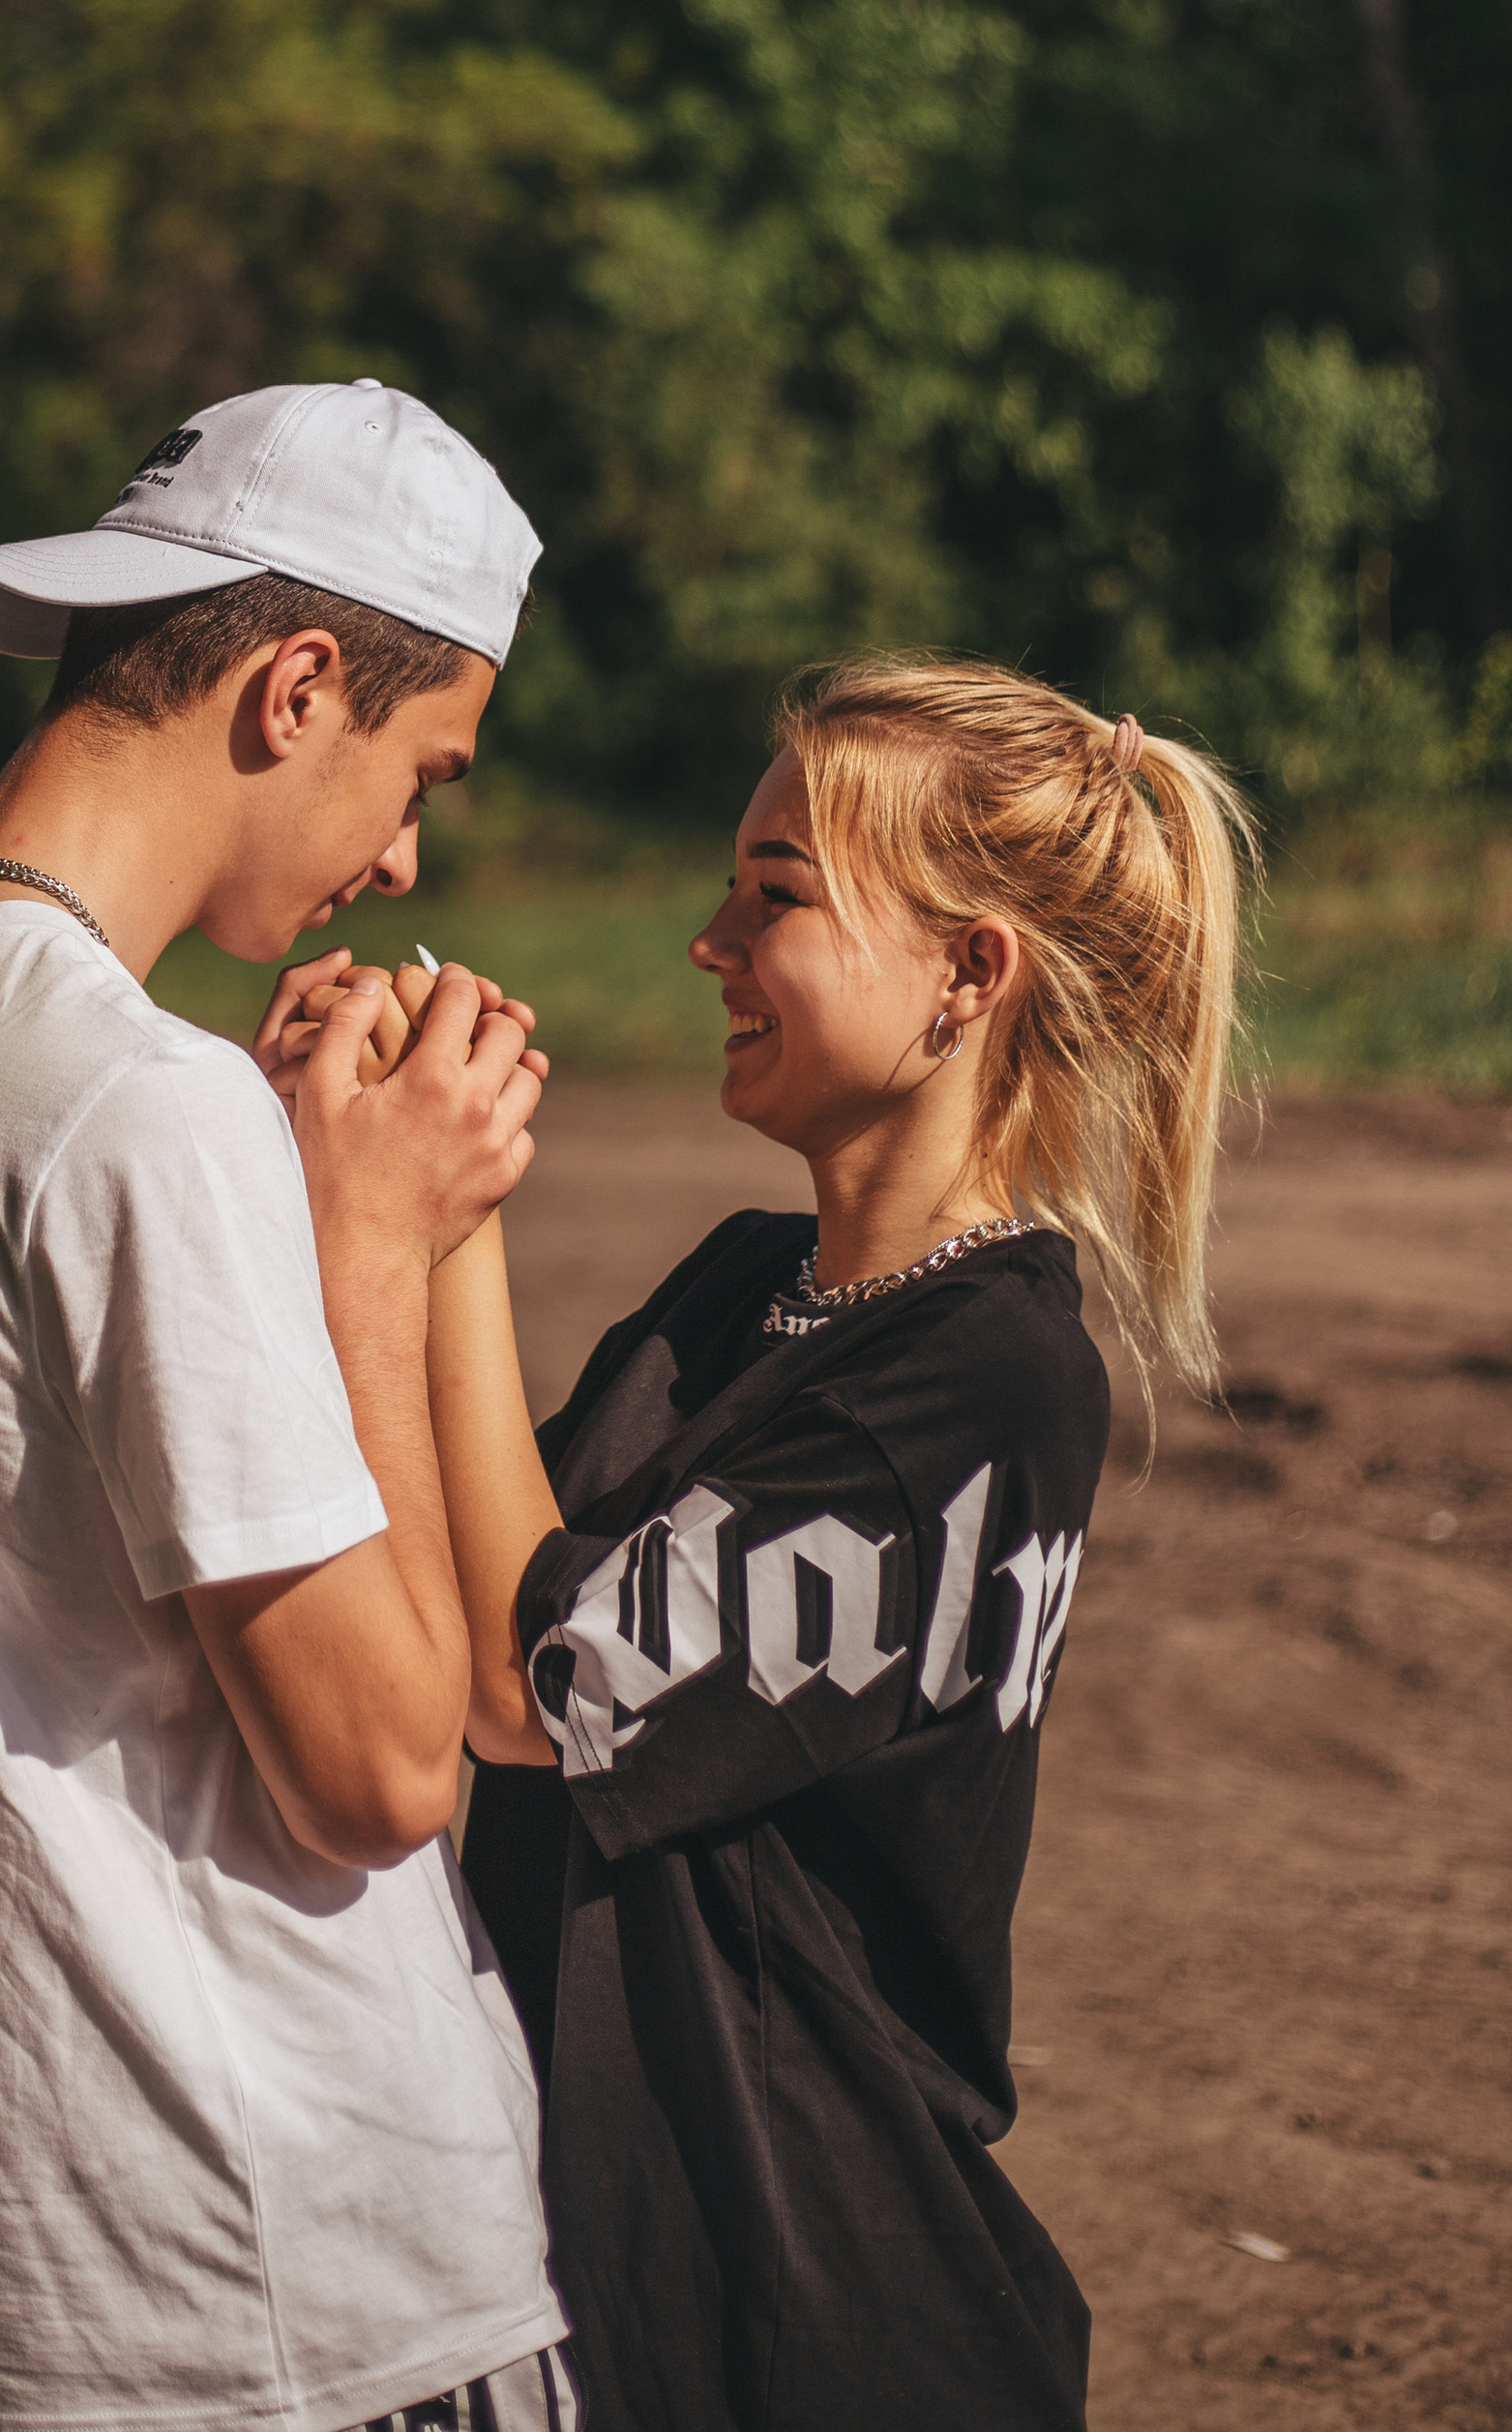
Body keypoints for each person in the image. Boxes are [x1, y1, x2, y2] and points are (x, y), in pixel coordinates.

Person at [0, 380, 578, 2432]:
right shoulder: (142, 1105)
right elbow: (379, 1771)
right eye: (421, 776)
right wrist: (373, 1239)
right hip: (297, 2266)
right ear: (296, 687)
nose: (394, 855)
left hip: (52, 2246)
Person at [329, 657, 1252, 2432]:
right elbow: (445, 1609)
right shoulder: (740, 1293)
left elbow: (546, 1690)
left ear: (969, 974)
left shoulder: (989, 1375)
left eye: (776, 901)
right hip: (609, 2279)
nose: (708, 943)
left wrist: (432, 1229)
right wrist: (405, 1199)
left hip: (816, 2312)